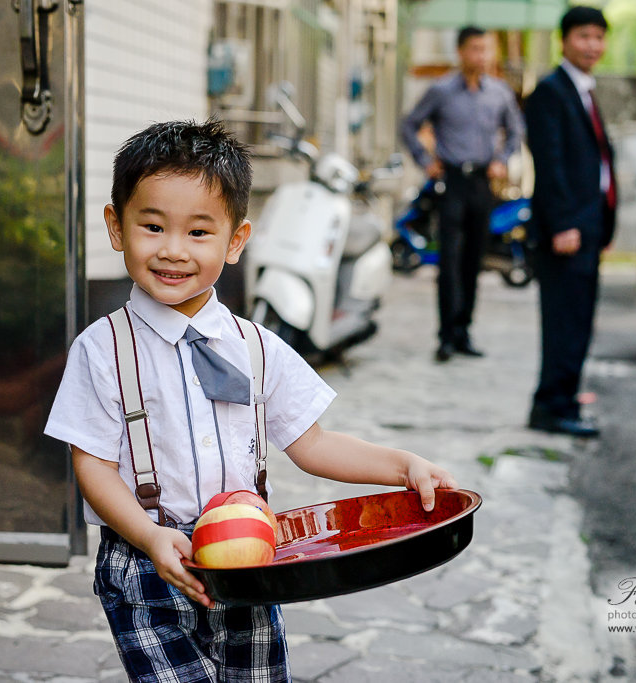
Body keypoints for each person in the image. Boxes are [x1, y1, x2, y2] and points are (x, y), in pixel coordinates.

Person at [44, 120, 458, 683]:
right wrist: (147, 535)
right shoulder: (101, 350)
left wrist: (401, 467)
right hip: (147, 565)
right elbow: (90, 463)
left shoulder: (257, 347)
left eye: (198, 233)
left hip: (250, 560)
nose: (172, 251)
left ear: (235, 241)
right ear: (117, 228)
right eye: (152, 226)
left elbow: (312, 443)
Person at [402, 26, 524, 361]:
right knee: (450, 260)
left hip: (482, 184)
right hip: (451, 182)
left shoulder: (499, 93)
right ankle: (445, 336)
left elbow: (516, 131)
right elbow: (409, 124)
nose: (480, 56)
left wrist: (502, 159)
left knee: (474, 259)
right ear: (461, 52)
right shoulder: (441, 90)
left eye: (486, 49)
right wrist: (425, 160)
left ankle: (464, 330)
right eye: (474, 49)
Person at [524, 6, 617, 437]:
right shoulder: (550, 91)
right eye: (584, 36)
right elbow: (551, 163)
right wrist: (563, 223)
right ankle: (550, 408)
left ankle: (566, 403)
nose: (592, 45)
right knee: (563, 322)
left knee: (580, 321)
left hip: (588, 227)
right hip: (566, 231)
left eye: (598, 37)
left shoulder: (583, 90)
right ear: (565, 40)